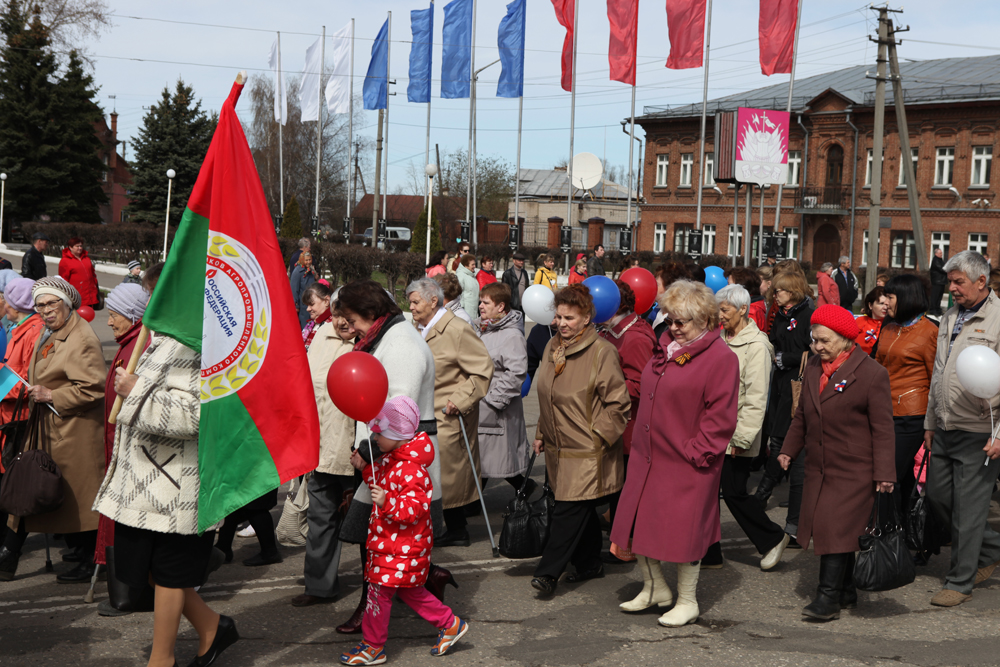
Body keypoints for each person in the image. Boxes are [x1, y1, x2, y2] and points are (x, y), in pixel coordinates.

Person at [93, 307, 239, 667]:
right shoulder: (162, 338)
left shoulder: (202, 345)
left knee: (170, 574)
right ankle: (212, 627)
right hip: (142, 486)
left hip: (176, 488)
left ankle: (162, 660)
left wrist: (137, 390)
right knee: (149, 570)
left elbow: (199, 416)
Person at [611, 280, 738, 626]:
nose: (674, 327)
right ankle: (655, 588)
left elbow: (721, 417)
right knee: (639, 523)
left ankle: (687, 600)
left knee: (685, 533)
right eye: (670, 320)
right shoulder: (664, 346)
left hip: (687, 461)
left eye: (681, 321)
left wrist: (697, 453)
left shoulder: (721, 358)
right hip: (649, 456)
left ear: (705, 319)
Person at [335, 280, 450, 634]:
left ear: (371, 313)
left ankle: (373, 607)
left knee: (379, 540)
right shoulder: (387, 336)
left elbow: (399, 412)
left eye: (352, 319)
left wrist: (367, 452)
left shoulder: (401, 344)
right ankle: (427, 579)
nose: (350, 327)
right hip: (388, 457)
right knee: (384, 539)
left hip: (400, 460)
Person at [778, 304, 895, 621]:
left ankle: (827, 597)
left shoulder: (872, 374)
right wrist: (789, 449)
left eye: (824, 340)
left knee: (832, 527)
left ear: (845, 338)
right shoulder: (814, 366)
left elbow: (883, 429)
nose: (817, 346)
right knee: (836, 530)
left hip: (854, 468)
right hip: (819, 466)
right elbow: (803, 414)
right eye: (814, 339)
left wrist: (885, 473)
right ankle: (846, 591)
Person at [340, 396, 469, 665]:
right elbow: (380, 480)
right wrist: (366, 468)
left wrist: (387, 502)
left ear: (398, 435)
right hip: (392, 546)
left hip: (401, 547)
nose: (375, 438)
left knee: (378, 594)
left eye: (380, 433)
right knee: (410, 592)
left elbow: (414, 509)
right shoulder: (393, 458)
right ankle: (450, 624)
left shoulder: (412, 469)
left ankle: (373, 646)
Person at [0, 277, 106, 583]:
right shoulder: (54, 331)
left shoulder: (81, 337)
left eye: (51, 303)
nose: (46, 310)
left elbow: (93, 388)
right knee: (56, 492)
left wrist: (51, 395)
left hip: (74, 432)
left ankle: (92, 559)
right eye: (40, 305)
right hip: (54, 428)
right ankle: (82, 551)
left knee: (77, 497)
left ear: (67, 303)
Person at [530, 284, 629, 596]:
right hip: (558, 449)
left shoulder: (602, 352)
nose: (562, 323)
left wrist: (598, 437)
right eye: (559, 317)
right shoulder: (553, 347)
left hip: (587, 451)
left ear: (587, 318)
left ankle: (548, 572)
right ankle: (589, 563)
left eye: (569, 318)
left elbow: (619, 405)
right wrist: (541, 432)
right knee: (579, 507)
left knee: (567, 510)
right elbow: (547, 395)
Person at [923, 250, 1000, 607]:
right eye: (949, 281)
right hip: (945, 425)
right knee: (938, 497)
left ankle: (960, 580)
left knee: (968, 509)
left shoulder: (997, 319)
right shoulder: (950, 316)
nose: (951, 287)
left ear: (981, 281)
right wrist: (930, 421)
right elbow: (939, 372)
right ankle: (991, 548)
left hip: (981, 432)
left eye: (958, 282)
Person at [700, 285, 788, 571]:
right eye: (718, 310)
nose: (720, 315)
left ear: (742, 309)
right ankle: (709, 552)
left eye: (725, 310)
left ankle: (773, 537)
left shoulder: (757, 346)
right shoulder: (719, 338)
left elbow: (756, 398)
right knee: (707, 492)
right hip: (712, 429)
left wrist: (743, 437)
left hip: (736, 433)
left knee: (734, 492)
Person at [407, 278, 493, 547]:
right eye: (410, 302)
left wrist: (460, 399)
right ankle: (445, 527)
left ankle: (456, 529)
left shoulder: (457, 329)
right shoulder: (416, 328)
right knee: (427, 473)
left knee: (447, 475)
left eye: (415, 302)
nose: (411, 307)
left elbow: (482, 371)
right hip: (420, 414)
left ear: (434, 301)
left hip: (446, 413)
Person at [291, 300, 356, 608]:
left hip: (357, 449)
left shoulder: (370, 341)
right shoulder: (320, 336)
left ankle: (390, 587)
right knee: (320, 519)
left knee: (371, 524)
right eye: (338, 315)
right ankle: (319, 586)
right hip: (320, 446)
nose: (342, 322)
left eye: (349, 316)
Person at [95, 282, 150, 614]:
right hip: (118, 447)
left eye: (114, 315)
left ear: (132, 315)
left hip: (132, 452)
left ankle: (132, 592)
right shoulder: (127, 343)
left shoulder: (139, 346)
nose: (109, 321)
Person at [755, 270, 815, 532]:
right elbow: (775, 340)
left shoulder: (808, 315)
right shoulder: (780, 314)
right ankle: (768, 493)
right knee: (777, 438)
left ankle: (763, 494)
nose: (774, 294)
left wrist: (786, 358)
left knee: (784, 441)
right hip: (780, 383)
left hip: (797, 384)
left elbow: (814, 350)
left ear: (792, 291)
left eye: (778, 290)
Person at [876, 274, 937, 531]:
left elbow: (936, 380)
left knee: (890, 476)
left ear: (906, 297)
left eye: (890, 297)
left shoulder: (930, 332)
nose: (885, 302)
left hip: (911, 416)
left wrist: (932, 424)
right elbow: (877, 367)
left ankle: (892, 534)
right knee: (892, 476)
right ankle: (897, 533)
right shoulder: (889, 328)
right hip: (884, 411)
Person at [598, 281, 656, 485]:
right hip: (612, 426)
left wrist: (599, 388)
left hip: (626, 432)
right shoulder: (609, 329)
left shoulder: (635, 338)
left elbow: (642, 386)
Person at [476, 283, 530, 493]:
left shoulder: (512, 335)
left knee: (494, 459)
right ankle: (524, 489)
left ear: (500, 306)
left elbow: (516, 372)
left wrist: (492, 401)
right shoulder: (482, 327)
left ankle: (472, 504)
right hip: (482, 406)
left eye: (485, 302)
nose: (480, 306)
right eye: (480, 301)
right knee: (490, 459)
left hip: (497, 410)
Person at [650, 261, 691, 338]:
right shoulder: (654, 311)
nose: (653, 287)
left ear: (670, 288)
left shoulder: (679, 320)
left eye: (657, 284)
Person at [58, 237, 100, 309]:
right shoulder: (65, 261)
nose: (80, 248)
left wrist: (95, 287)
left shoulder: (86, 258)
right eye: (77, 246)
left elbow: (93, 274)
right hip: (76, 296)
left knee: (89, 314)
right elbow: (63, 281)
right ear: (70, 247)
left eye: (81, 246)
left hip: (90, 295)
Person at [727, 267, 767, 331]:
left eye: (729, 285)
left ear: (742, 287)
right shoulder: (748, 306)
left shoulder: (750, 312)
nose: (726, 288)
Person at [854, 287, 889, 356]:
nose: (885, 308)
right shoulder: (859, 321)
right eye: (881, 303)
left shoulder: (891, 326)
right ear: (870, 305)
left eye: (887, 304)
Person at [300, 282, 333, 351]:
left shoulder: (332, 324)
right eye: (307, 305)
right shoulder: (312, 323)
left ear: (326, 301)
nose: (308, 309)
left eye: (312, 304)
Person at [290, 251, 317, 328]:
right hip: (302, 306)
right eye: (306, 260)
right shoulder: (297, 272)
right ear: (302, 260)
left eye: (310, 259)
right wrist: (296, 306)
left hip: (310, 303)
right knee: (304, 327)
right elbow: (294, 290)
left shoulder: (310, 270)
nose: (308, 262)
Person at [929, 248, 947, 315]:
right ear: (936, 254)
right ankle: (933, 309)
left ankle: (938, 309)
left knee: (939, 297)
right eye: (940, 253)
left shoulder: (940, 260)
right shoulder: (935, 260)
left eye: (941, 253)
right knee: (935, 296)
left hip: (941, 281)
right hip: (937, 281)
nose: (941, 254)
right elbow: (942, 269)